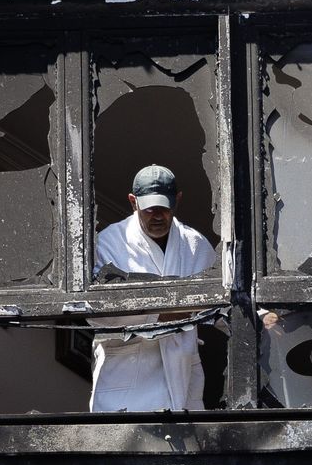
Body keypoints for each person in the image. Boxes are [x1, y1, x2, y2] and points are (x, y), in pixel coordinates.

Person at [89, 165, 218, 412]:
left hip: (182, 375)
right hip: (126, 377)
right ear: (133, 202)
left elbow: (224, 299)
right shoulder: (110, 243)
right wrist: (160, 315)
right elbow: (98, 312)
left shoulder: (195, 244)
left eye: (164, 208)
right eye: (149, 209)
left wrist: (262, 317)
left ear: (177, 200)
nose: (157, 216)